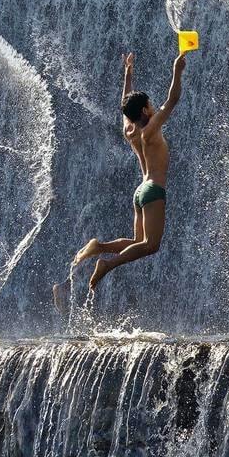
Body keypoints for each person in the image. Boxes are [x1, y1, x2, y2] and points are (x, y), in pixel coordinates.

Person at [54, 51, 186, 313]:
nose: (154, 104)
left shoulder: (130, 129)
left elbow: (124, 105)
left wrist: (128, 73)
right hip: (153, 190)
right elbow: (173, 99)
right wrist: (177, 70)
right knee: (151, 245)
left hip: (140, 191)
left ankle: (99, 247)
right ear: (146, 110)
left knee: (138, 241)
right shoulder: (151, 129)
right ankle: (106, 264)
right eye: (150, 103)